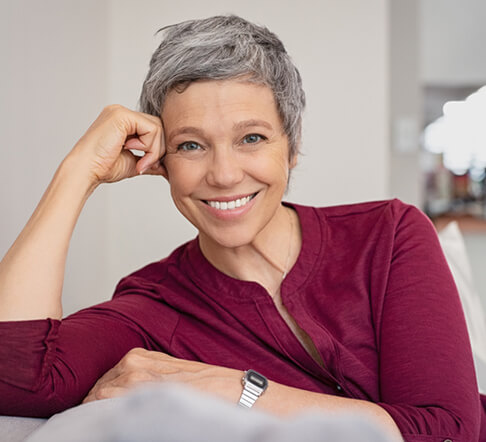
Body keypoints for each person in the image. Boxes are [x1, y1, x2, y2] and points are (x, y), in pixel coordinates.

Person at [0, 15, 484, 442]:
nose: (225, 174)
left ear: (290, 148)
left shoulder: (390, 233)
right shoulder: (152, 306)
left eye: (251, 138)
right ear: (161, 162)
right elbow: (16, 379)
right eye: (191, 146)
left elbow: (450, 430)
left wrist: (240, 390)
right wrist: (79, 171)